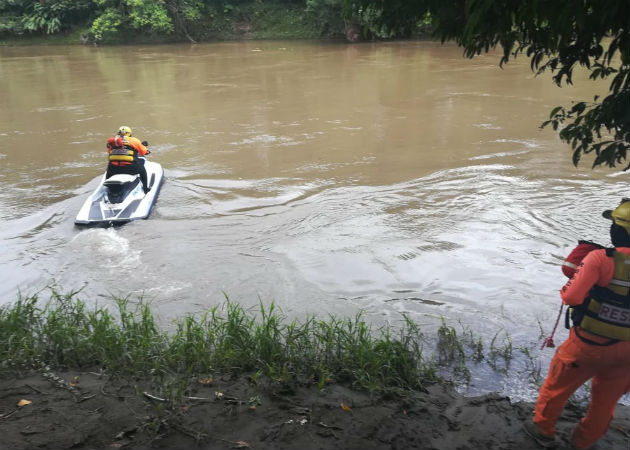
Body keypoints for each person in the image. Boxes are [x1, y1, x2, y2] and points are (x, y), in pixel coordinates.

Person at [524, 199, 630, 449]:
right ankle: (585, 441)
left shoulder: (600, 258)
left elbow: (571, 297)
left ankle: (543, 431)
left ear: (619, 230)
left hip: (588, 344)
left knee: (556, 388)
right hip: (627, 351)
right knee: (605, 401)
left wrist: (570, 289)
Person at [106, 125, 151, 193]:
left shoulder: (113, 142)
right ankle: (145, 189)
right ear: (129, 133)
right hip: (130, 169)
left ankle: (107, 188)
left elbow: (109, 152)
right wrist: (146, 150)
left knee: (109, 168)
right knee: (142, 170)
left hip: (113, 170)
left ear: (118, 133)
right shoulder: (134, 140)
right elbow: (144, 152)